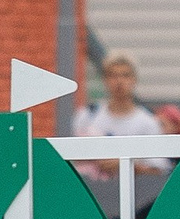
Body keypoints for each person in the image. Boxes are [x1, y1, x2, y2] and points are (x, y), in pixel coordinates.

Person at [71, 52, 167, 189]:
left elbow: (158, 170)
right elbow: (73, 159)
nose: (119, 81)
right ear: (105, 80)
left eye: (125, 75)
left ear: (134, 80)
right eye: (113, 75)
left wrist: (126, 165)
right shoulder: (87, 116)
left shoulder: (147, 123)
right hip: (93, 192)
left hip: (136, 198)